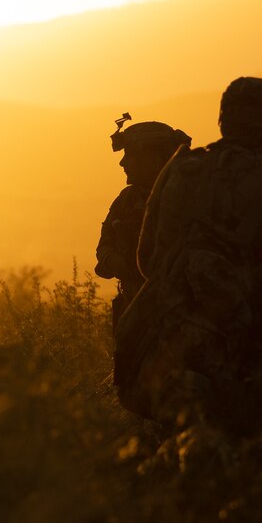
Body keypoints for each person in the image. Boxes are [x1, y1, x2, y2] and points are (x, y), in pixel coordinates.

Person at [115, 77, 262, 435]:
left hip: (171, 344)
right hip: (254, 348)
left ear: (223, 118)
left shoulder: (181, 171)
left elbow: (147, 259)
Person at [93, 115, 192, 389]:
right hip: (134, 312)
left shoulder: (187, 199)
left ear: (154, 157)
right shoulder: (127, 200)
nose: (123, 163)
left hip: (178, 317)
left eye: (132, 155)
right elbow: (104, 248)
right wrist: (118, 264)